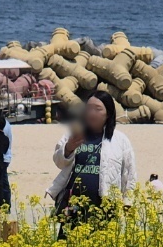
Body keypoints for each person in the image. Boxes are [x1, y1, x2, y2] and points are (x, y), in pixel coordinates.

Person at [50, 91, 137, 232]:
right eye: (89, 108)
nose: (91, 113)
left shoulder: (120, 140)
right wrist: (68, 148)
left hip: (105, 206)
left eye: (97, 109)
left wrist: (128, 202)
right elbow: (59, 162)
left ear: (108, 113)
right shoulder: (74, 135)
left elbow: (129, 173)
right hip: (73, 205)